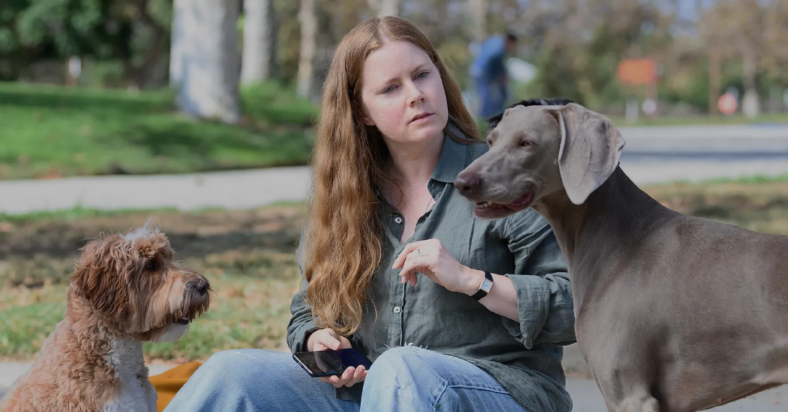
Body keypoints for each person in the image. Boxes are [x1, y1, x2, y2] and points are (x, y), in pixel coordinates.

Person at [164, 16, 575, 412]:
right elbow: (307, 308)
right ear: (362, 112)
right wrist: (317, 338)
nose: (416, 94)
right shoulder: (346, 199)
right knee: (230, 372)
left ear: (441, 77)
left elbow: (575, 308)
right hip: (372, 393)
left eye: (421, 75)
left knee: (400, 371)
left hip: (499, 391)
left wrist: (472, 281)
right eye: (390, 88)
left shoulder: (507, 178)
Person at [470, 31, 518, 118]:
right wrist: (501, 77)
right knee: (488, 98)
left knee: (486, 97)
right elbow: (496, 63)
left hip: (477, 70)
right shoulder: (500, 48)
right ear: (510, 41)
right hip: (484, 74)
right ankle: (485, 119)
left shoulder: (494, 40)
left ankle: (487, 117)